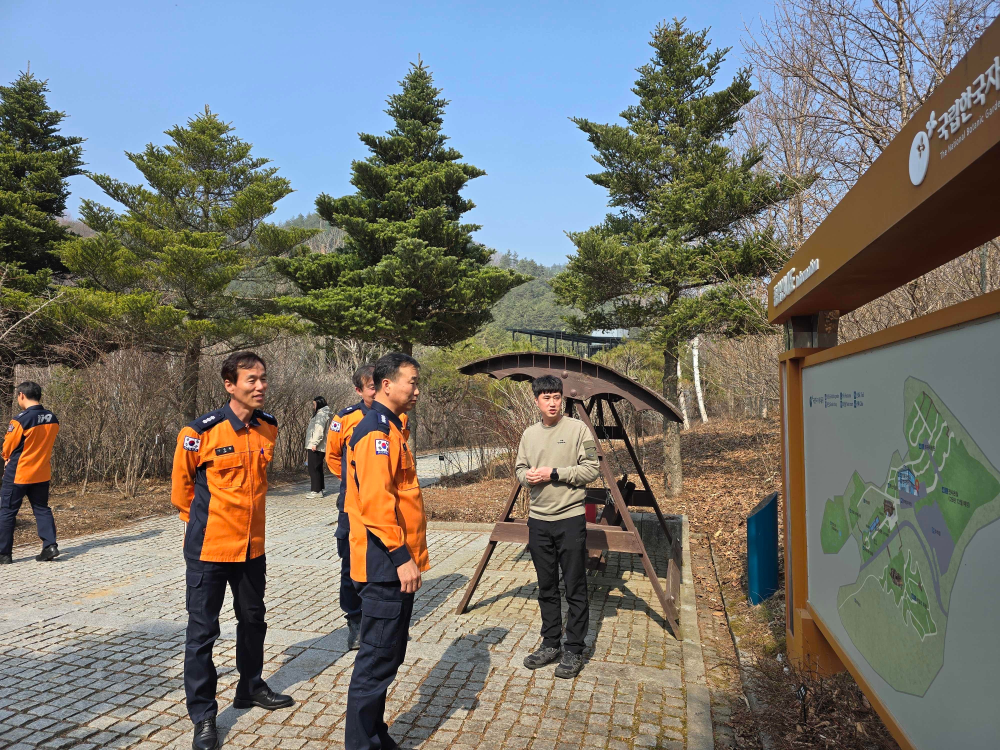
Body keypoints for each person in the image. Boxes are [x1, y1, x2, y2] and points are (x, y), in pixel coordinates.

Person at [171, 351, 294, 750]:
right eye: (251, 380)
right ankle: (204, 716)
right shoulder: (199, 433)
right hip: (209, 549)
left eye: (263, 379)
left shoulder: (269, 428)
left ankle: (250, 686)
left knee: (253, 621)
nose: (260, 387)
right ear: (229, 385)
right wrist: (212, 525)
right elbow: (181, 493)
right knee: (203, 633)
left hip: (252, 548)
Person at [344, 352, 429, 750]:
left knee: (388, 657)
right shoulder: (375, 432)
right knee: (376, 660)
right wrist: (401, 557)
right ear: (386, 385)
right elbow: (376, 504)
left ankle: (375, 736)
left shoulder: (394, 428)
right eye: (411, 381)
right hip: (383, 565)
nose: (416, 389)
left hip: (392, 563)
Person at [515, 374, 600, 679]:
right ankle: (551, 643)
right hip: (538, 522)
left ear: (562, 399)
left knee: (575, 586)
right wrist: (528, 477)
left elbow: (591, 469)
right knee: (547, 586)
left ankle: (574, 649)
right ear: (536, 401)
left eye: (556, 397)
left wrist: (554, 473)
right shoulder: (529, 435)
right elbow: (520, 469)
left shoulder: (578, 430)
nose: (552, 403)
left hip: (570, 519)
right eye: (546, 398)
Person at [326, 363, 377, 650]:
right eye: (371, 386)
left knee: (384, 563)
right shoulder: (345, 418)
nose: (378, 390)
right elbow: (334, 457)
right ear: (359, 390)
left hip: (384, 505)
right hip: (352, 506)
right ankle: (355, 621)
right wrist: (354, 480)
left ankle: (380, 620)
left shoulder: (398, 417)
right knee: (351, 564)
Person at [0, 381, 60, 564]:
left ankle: (3, 554)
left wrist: (6, 456)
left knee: (7, 511)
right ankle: (50, 545)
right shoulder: (52, 418)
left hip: (19, 473)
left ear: (21, 396)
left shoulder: (20, 420)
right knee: (42, 509)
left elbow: (7, 447)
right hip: (41, 472)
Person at [304, 396, 332, 499]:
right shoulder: (324, 414)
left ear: (319, 404)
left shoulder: (321, 415)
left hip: (316, 445)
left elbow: (319, 430)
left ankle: (316, 490)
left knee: (313, 468)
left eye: (314, 404)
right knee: (318, 467)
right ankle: (320, 488)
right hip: (319, 445)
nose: (313, 406)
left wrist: (314, 443)